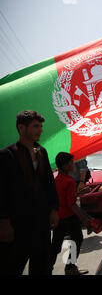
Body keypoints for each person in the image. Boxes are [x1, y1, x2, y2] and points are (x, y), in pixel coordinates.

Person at [0, 110, 59, 275]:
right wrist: (3, 221)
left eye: (40, 126)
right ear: (21, 128)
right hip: (17, 225)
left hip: (41, 223)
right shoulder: (6, 155)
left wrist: (54, 209)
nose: (40, 130)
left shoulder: (42, 152)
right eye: (35, 126)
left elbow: (49, 183)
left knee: (42, 267)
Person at [50, 152, 90, 275]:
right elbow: (72, 204)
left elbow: (63, 198)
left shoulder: (56, 179)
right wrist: (85, 219)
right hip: (69, 216)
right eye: (71, 162)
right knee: (77, 239)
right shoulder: (69, 181)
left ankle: (47, 268)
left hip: (59, 216)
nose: (73, 164)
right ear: (65, 165)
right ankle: (70, 268)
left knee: (56, 245)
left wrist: (79, 193)